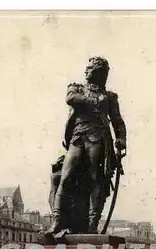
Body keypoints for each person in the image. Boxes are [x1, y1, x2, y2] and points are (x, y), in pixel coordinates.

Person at [46, 56, 127, 235]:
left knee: (96, 180)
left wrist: (121, 139)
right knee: (65, 177)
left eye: (90, 68)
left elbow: (118, 121)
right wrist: (95, 101)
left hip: (98, 139)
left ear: (99, 72)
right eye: (87, 68)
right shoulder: (77, 88)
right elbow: (70, 98)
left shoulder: (110, 97)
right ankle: (57, 221)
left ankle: (92, 225)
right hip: (78, 138)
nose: (86, 71)